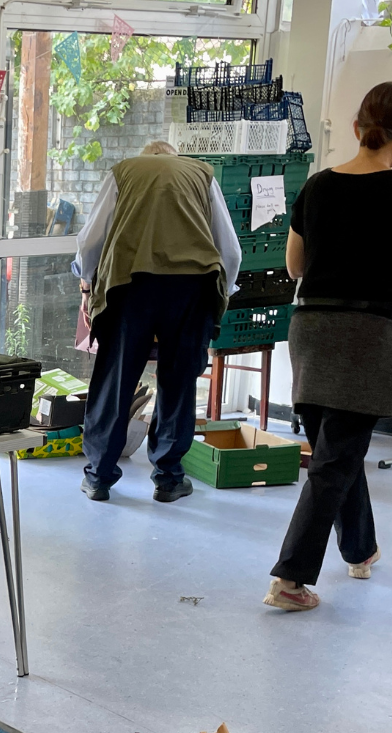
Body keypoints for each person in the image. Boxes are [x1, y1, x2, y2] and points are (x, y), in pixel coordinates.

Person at [265, 82, 392, 612]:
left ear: (356, 128)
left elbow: (295, 266)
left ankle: (360, 548)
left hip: (312, 329)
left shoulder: (317, 187)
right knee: (334, 460)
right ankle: (290, 579)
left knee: (336, 453)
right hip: (365, 337)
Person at [72, 140, 241, 504]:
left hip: (129, 284)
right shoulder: (202, 174)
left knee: (116, 379)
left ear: (145, 156)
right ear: (174, 158)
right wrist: (220, 294)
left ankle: (99, 477)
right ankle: (168, 478)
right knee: (178, 381)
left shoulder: (125, 170)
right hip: (191, 287)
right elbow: (230, 250)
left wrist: (87, 282)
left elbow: (90, 241)